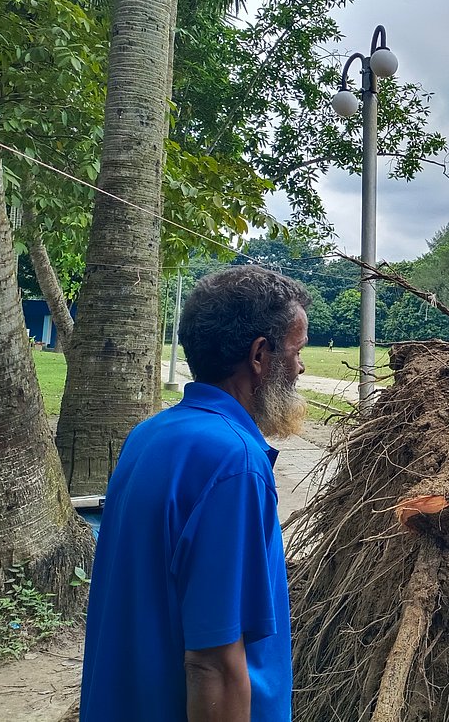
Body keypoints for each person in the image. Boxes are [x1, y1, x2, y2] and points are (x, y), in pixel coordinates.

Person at [80, 266, 311, 722]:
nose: (301, 367)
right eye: (297, 350)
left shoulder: (149, 434)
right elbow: (214, 664)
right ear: (260, 355)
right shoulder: (234, 463)